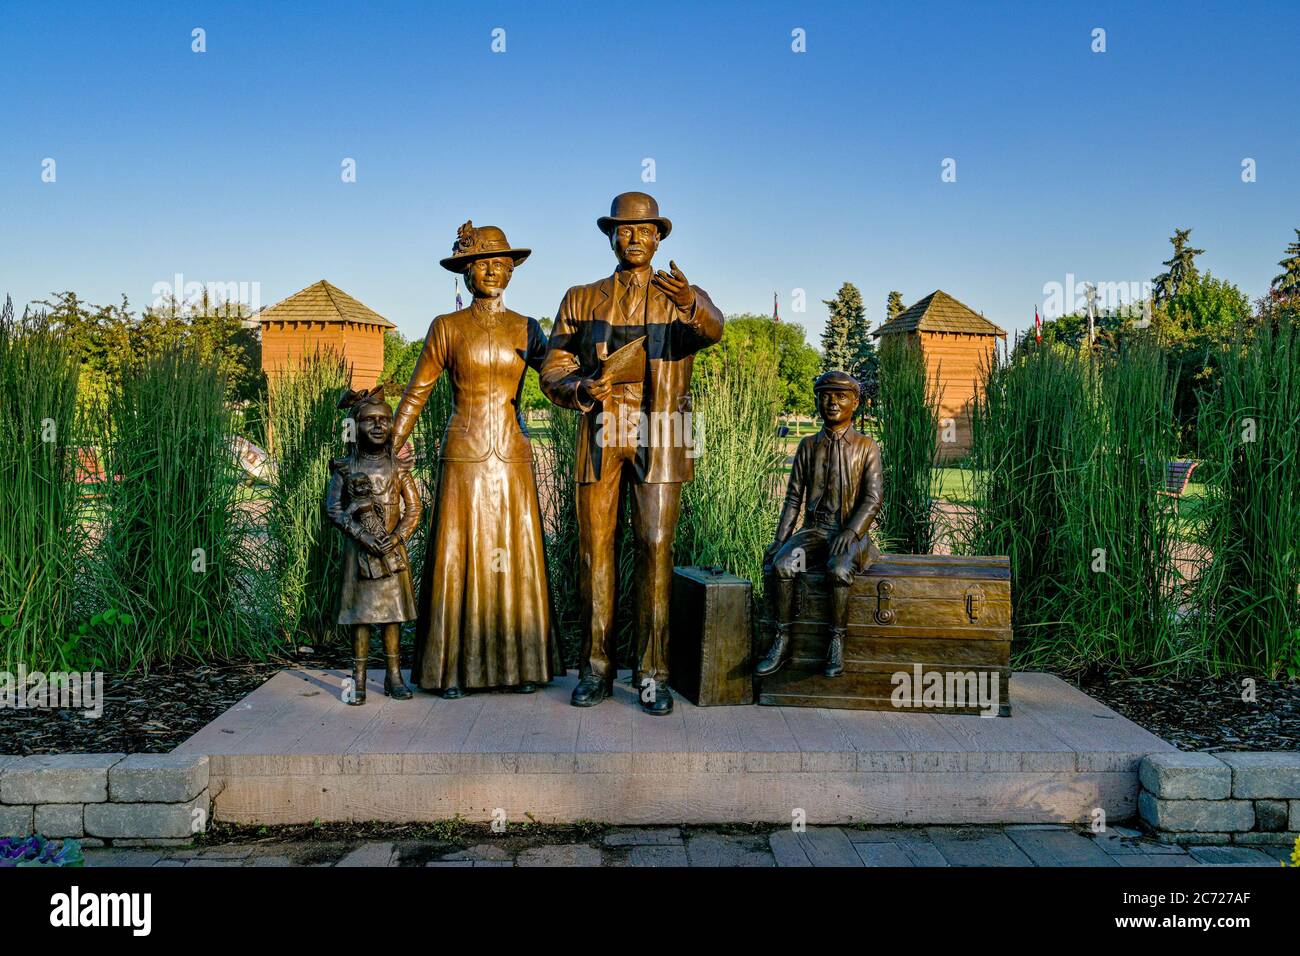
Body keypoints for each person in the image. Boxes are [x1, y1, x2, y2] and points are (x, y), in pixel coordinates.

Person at [540, 192, 723, 715]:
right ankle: (594, 668)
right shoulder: (580, 297)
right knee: (595, 548)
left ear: (659, 236)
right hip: (602, 425)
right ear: (610, 236)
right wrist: (578, 388)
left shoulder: (681, 296)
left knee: (656, 545)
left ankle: (652, 673)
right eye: (624, 229)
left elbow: (713, 328)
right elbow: (552, 366)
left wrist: (692, 302)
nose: (634, 237)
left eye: (644, 229)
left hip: (662, 425)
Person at [391, 221, 556, 698]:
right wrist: (387, 447)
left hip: (512, 455)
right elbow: (416, 392)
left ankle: (522, 665)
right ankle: (453, 669)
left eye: (501, 263)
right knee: (458, 558)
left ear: (511, 270)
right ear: (466, 270)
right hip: (463, 454)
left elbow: (557, 378)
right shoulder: (447, 327)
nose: (492, 270)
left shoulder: (528, 328)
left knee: (515, 557)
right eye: (483, 262)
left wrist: (593, 385)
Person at [756, 370, 884, 679]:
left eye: (841, 396)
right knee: (785, 564)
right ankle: (782, 639)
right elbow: (792, 499)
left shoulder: (867, 447)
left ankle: (836, 640)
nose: (832, 402)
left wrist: (853, 531)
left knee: (839, 569)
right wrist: (781, 539)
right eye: (826, 395)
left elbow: (873, 497)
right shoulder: (807, 446)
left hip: (850, 533)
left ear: (855, 403)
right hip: (814, 532)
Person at [325, 387, 421, 704]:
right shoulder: (345, 468)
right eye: (370, 421)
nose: (378, 426)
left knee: (392, 616)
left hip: (392, 553)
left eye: (384, 420)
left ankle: (395, 676)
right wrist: (363, 536)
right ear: (355, 427)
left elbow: (415, 509)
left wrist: (395, 538)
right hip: (359, 553)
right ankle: (359, 679)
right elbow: (334, 509)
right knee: (361, 617)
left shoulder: (398, 468)